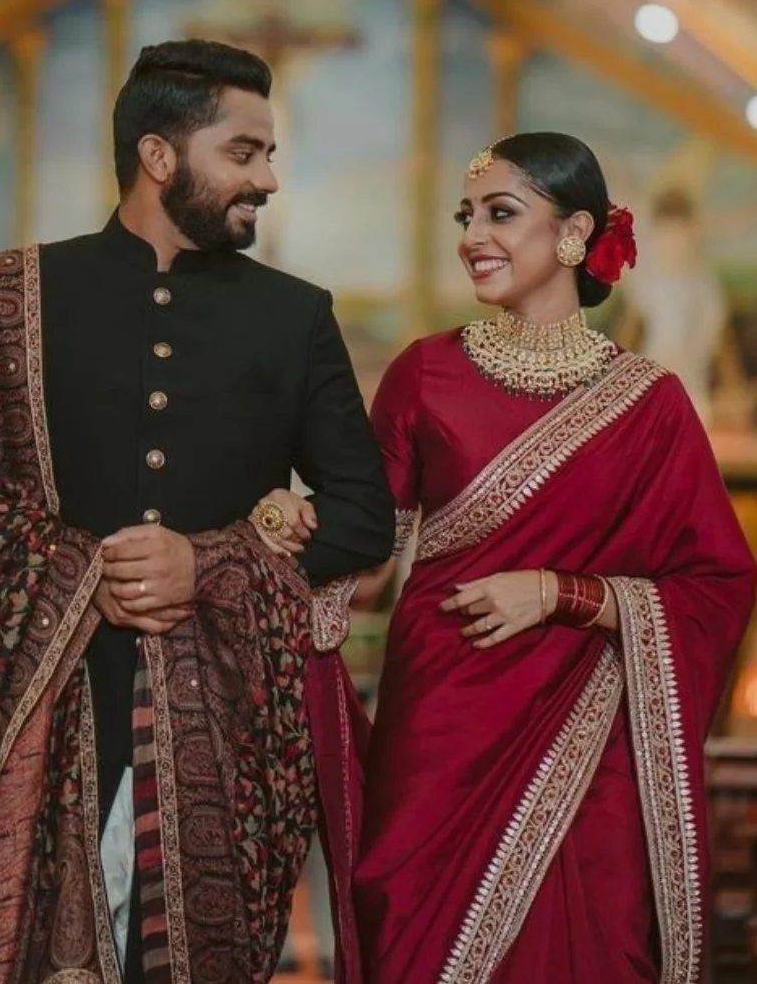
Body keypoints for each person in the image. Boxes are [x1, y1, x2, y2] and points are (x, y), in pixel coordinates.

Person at [0, 39, 394, 984]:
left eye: (268, 154)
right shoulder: (7, 293)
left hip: (220, 720)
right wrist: (75, 572)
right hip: (26, 703)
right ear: (159, 156)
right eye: (245, 152)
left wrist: (214, 562)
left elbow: (363, 514)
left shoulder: (294, 315)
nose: (267, 178)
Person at [261, 132, 757, 984]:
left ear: (573, 234)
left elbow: (717, 579)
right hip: (442, 722)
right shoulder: (426, 373)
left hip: (588, 727)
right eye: (467, 215)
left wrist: (558, 594)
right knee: (412, 924)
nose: (473, 236)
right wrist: (288, 520)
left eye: (501, 213)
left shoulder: (652, 405)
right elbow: (361, 528)